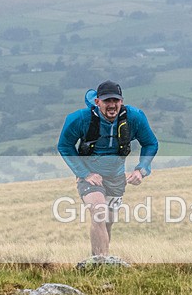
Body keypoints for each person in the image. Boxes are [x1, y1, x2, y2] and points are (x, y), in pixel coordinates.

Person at [58, 80, 159, 256]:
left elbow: (150, 143)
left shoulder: (135, 117)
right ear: (97, 102)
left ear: (122, 101)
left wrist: (141, 169)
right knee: (99, 213)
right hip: (90, 176)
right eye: (106, 101)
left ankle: (102, 260)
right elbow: (64, 145)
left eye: (116, 100)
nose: (112, 105)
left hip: (116, 177)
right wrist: (84, 173)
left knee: (108, 221)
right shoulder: (79, 119)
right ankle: (100, 264)